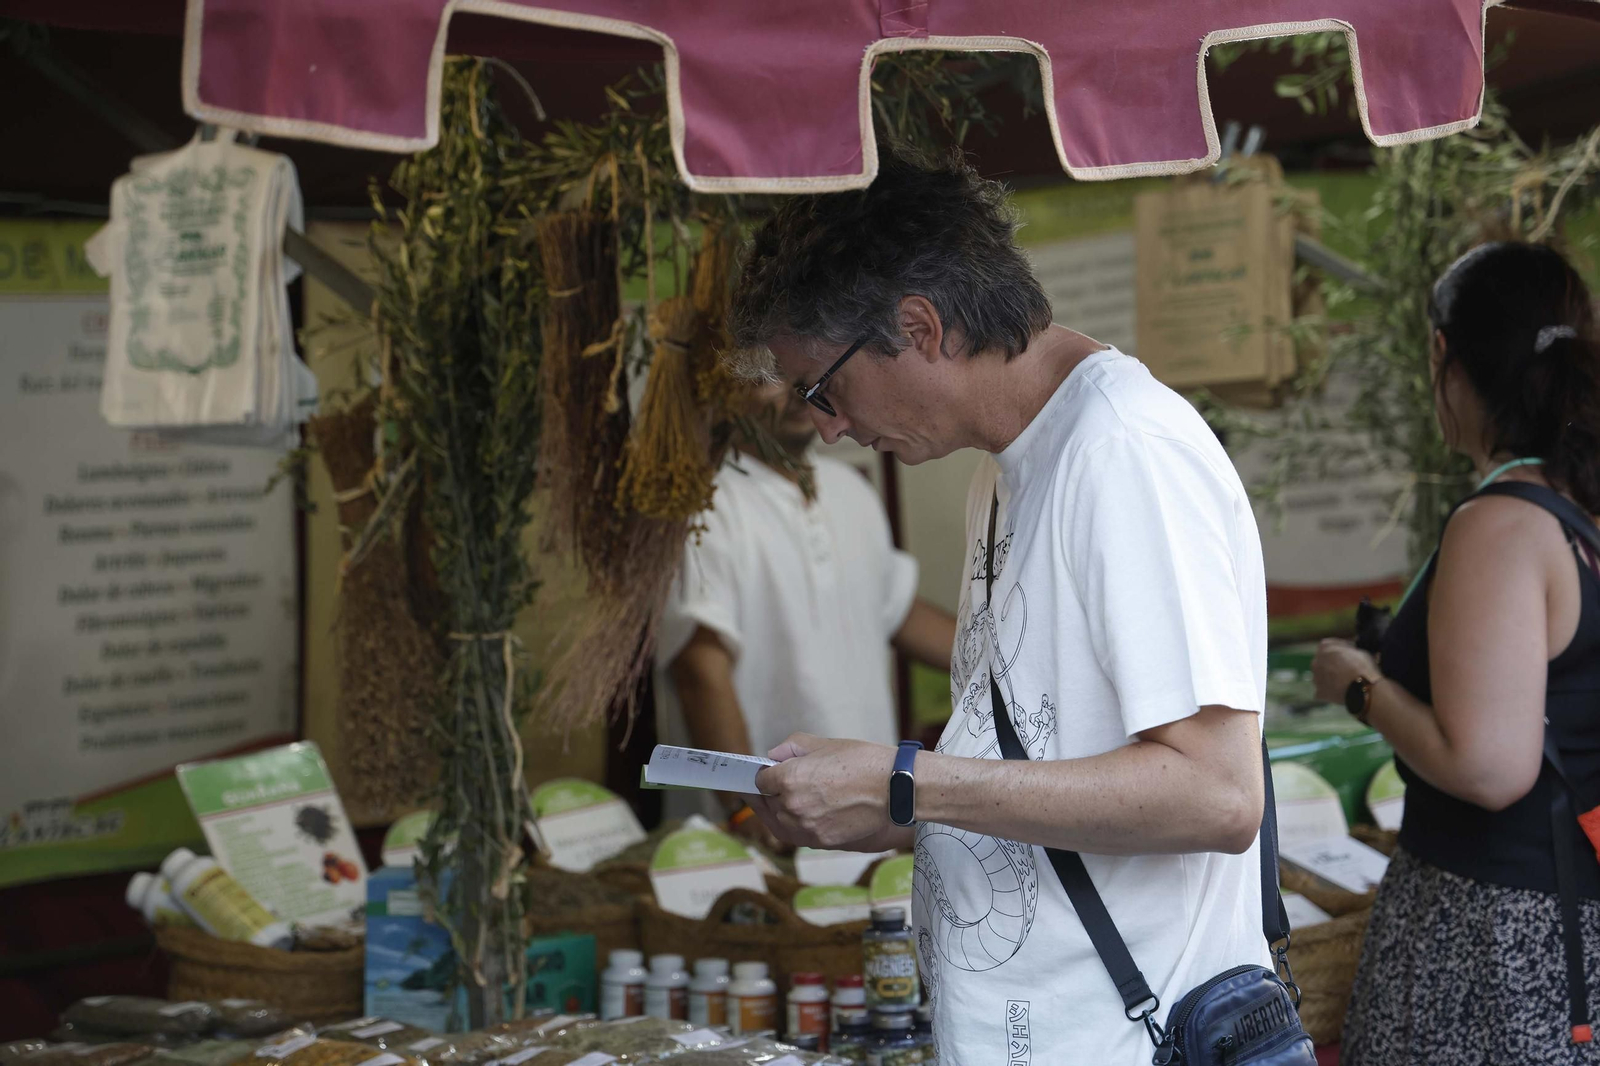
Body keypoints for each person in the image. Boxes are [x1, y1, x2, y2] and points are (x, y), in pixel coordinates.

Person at [728, 149, 1272, 1063]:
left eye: (824, 387)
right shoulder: (1011, 464)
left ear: (919, 326)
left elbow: (1217, 793)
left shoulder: (1123, 452)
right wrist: (892, 811)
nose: (827, 426)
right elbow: (1052, 767)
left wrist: (909, 781)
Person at [1312, 241, 1600, 1065]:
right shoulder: (1580, 507)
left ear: (1444, 354)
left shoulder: (1502, 524)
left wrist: (1359, 684)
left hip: (1494, 938)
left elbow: (1486, 765)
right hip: (1570, 921)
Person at [654, 377, 957, 843]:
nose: (797, 393)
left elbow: (897, 612)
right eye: (765, 379)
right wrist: (742, 811)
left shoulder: (848, 490)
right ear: (723, 387)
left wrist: (1010, 659)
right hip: (770, 826)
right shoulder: (704, 507)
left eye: (804, 375)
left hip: (867, 807)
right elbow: (699, 669)